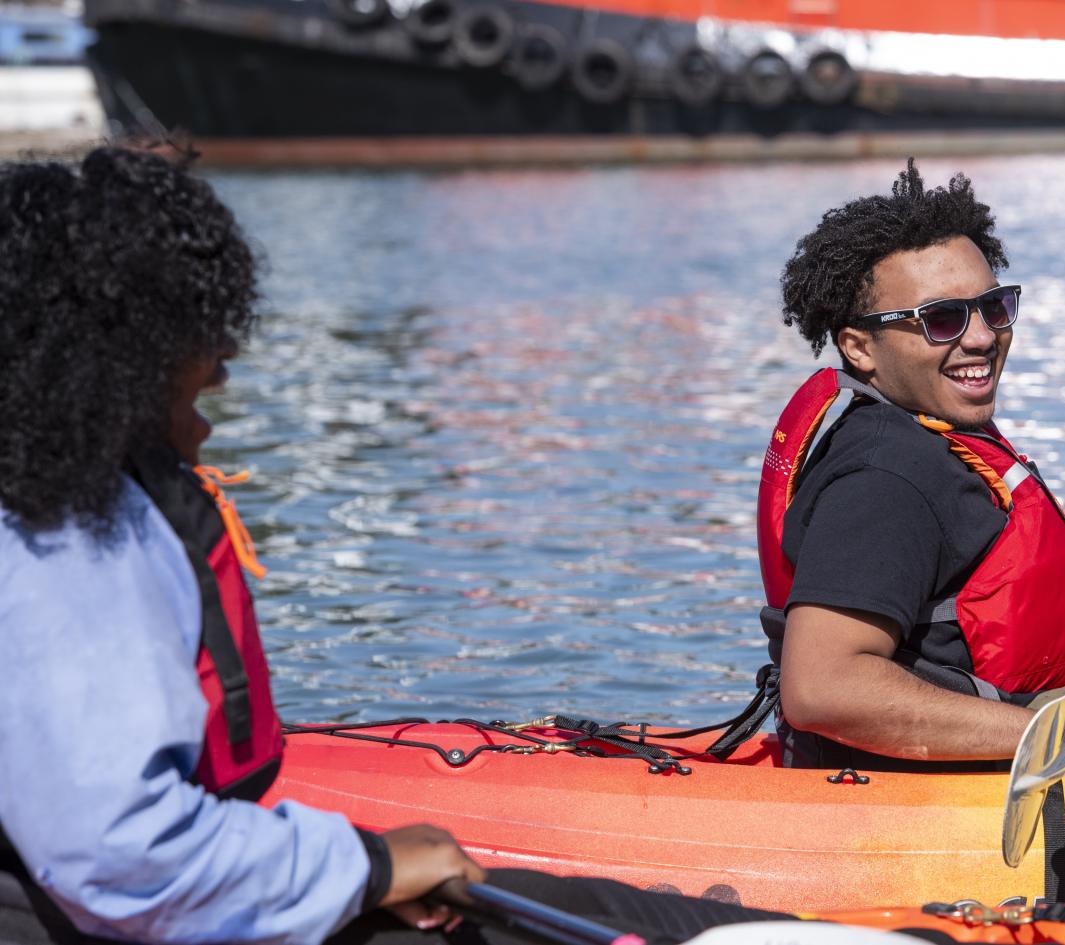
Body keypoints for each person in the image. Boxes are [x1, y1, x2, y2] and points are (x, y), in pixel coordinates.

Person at [0, 147, 793, 945]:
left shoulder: (62, 503)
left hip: (162, 898)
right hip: (121, 915)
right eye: (204, 352)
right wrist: (370, 867)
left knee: (643, 913)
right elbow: (123, 855)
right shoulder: (64, 536)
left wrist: (356, 862)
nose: (224, 375)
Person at [754, 159, 1065, 771]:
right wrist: (1049, 730)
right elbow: (821, 688)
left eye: (993, 307)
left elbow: (960, 656)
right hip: (954, 784)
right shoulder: (882, 477)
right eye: (941, 319)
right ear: (859, 347)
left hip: (1024, 732)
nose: (981, 337)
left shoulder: (935, 438)